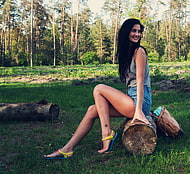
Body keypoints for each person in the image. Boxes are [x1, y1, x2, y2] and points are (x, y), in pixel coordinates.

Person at [44, 18, 152, 159]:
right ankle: (67, 149)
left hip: (140, 103)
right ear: (126, 32)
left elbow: (140, 82)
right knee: (92, 110)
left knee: (99, 88)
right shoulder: (128, 53)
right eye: (134, 31)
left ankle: (106, 134)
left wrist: (138, 111)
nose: (137, 34)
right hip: (131, 101)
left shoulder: (139, 52)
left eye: (139, 31)